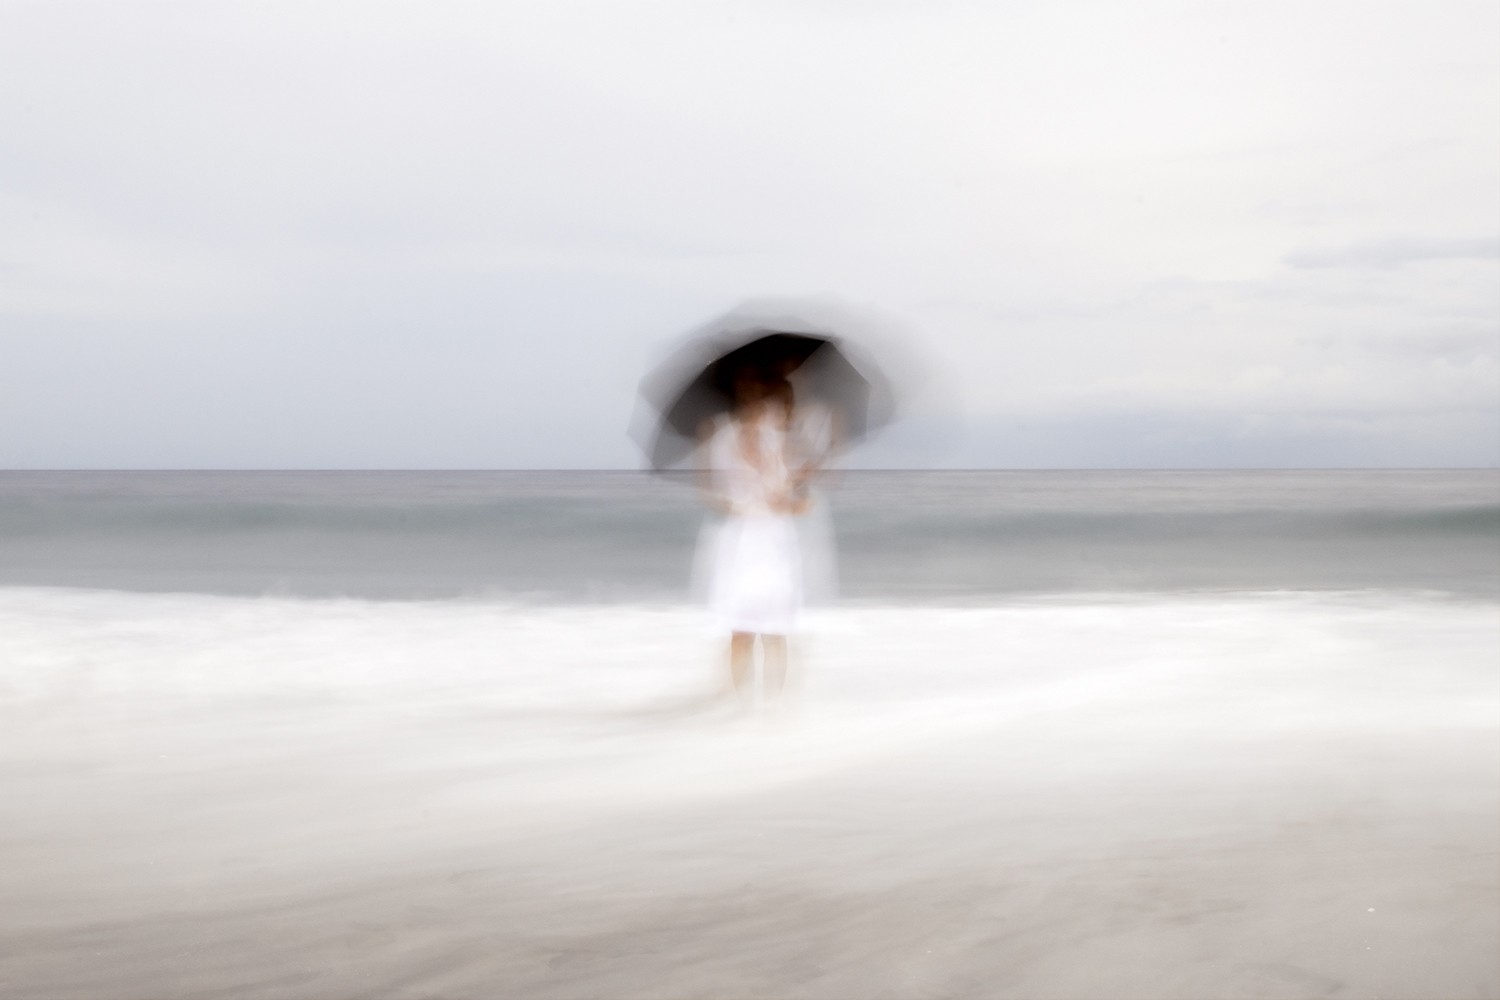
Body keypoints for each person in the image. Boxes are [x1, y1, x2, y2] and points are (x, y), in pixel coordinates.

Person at [697, 365, 834, 706]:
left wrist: (794, 496)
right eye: (752, 397)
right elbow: (714, 495)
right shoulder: (721, 436)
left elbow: (794, 494)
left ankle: (776, 706)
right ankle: (732, 703)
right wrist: (740, 503)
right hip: (743, 539)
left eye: (763, 398)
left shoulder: (779, 442)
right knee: (739, 628)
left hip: (774, 540)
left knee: (777, 627)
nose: (761, 406)